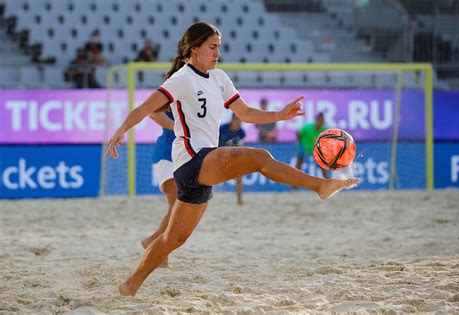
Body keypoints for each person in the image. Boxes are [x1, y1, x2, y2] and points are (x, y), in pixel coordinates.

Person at [107, 22, 358, 297]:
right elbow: (145, 107)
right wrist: (120, 131)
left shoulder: (219, 78)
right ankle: (320, 186)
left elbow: (246, 112)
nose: (217, 53)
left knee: (172, 239)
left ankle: (129, 285)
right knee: (260, 157)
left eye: (219, 47)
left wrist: (279, 115)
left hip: (201, 167)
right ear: (194, 49)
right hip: (192, 159)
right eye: (212, 47)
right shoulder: (182, 78)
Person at [141, 110, 176, 268]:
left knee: (179, 208)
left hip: (180, 155)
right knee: (176, 207)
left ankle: (154, 242)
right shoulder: (173, 89)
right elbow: (153, 113)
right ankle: (158, 250)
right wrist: (178, 127)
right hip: (166, 154)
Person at [219, 114, 246, 205]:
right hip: (218, 155)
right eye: (237, 120)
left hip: (232, 157)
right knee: (229, 146)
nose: (239, 122)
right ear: (232, 120)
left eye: (240, 120)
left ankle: (239, 201)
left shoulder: (241, 132)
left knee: (239, 176)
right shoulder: (222, 129)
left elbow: (240, 147)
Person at [295, 112, 330, 180]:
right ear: (316, 120)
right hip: (304, 147)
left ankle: (327, 181)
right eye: (320, 120)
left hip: (315, 149)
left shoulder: (324, 130)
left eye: (322, 121)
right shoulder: (308, 127)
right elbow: (298, 132)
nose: (321, 122)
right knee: (298, 165)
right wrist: (300, 142)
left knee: (321, 164)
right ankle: (294, 186)